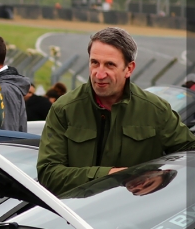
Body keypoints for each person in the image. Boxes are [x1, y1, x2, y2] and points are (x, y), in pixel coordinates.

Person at [36, 27, 195, 196]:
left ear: (129, 69)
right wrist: (111, 175)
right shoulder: (65, 109)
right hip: (75, 216)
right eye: (94, 62)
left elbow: (190, 154)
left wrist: (164, 177)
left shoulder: (155, 110)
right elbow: (49, 174)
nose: (99, 73)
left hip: (133, 215)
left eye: (110, 65)